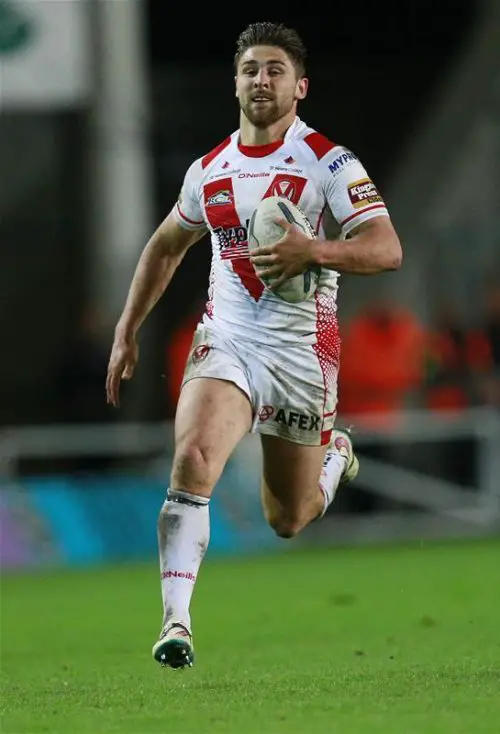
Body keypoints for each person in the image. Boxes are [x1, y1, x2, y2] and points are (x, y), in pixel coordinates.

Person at [106, 21, 402, 670]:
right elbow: (166, 246)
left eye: (274, 70)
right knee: (192, 459)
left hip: (302, 355)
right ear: (234, 84)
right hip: (229, 340)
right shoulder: (209, 169)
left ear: (300, 87)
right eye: (249, 70)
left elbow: (386, 249)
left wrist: (313, 251)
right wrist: (127, 331)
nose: (261, 80)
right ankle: (176, 623)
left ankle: (335, 456)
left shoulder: (328, 162)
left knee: (287, 518)